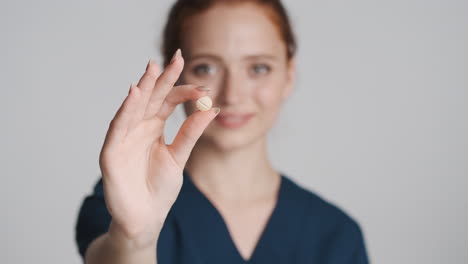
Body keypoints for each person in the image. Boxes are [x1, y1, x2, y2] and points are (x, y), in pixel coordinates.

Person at [75, 0, 370, 263]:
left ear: (289, 76)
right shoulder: (125, 200)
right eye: (206, 68)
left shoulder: (334, 234)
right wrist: (134, 238)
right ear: (173, 76)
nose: (233, 94)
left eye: (258, 68)